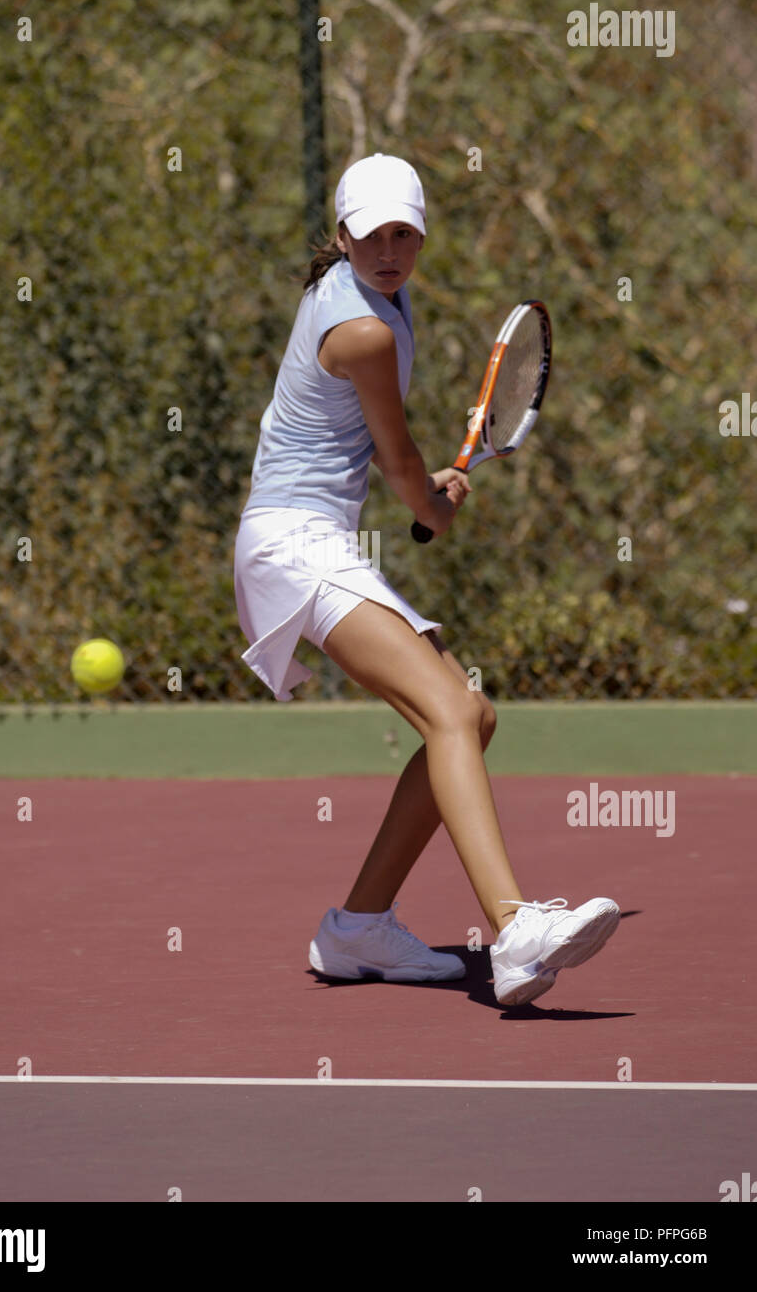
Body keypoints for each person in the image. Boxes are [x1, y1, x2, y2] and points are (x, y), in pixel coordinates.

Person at [233, 153, 619, 1006]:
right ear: (342, 237)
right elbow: (398, 457)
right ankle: (517, 930)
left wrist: (422, 490)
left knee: (469, 716)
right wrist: (432, 505)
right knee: (450, 711)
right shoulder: (363, 328)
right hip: (292, 542)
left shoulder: (376, 298)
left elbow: (381, 452)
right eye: (372, 235)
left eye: (404, 233)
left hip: (308, 537)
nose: (390, 250)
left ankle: (359, 927)